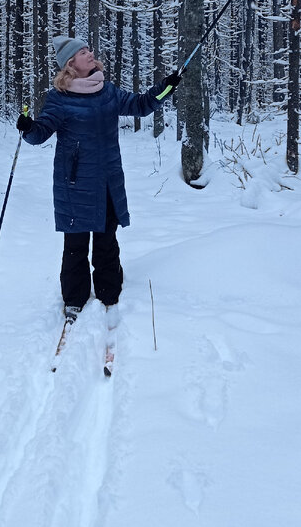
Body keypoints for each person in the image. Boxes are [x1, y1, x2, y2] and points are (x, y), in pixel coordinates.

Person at [16, 35, 180, 321]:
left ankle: (109, 292)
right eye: (82, 52)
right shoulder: (60, 97)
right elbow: (39, 134)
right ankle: (74, 298)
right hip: (74, 183)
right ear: (70, 63)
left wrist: (165, 89)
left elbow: (141, 105)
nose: (89, 53)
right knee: (76, 244)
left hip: (107, 179)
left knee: (106, 239)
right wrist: (29, 128)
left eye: (88, 49)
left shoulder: (107, 91)